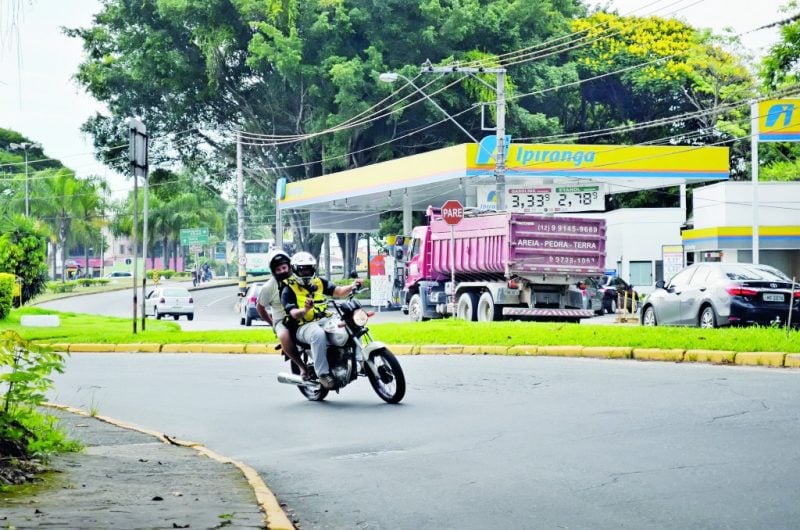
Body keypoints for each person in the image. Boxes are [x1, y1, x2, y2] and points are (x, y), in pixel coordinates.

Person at [281, 251, 362, 390]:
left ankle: (359, 361)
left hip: (324, 319)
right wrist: (305, 310)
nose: (306, 273)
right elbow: (293, 313)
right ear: (294, 270)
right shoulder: (288, 288)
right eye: (302, 270)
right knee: (318, 334)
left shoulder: (319, 282)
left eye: (308, 269)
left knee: (352, 323)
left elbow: (339, 291)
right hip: (303, 326)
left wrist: (353, 285)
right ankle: (323, 374)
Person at [255, 250, 307, 379]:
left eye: (284, 267)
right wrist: (272, 322)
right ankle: (302, 367)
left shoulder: (299, 279)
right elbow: (260, 307)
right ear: (273, 271)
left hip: (302, 314)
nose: (282, 271)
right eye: (278, 269)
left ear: (289, 266)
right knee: (283, 335)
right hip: (282, 320)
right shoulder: (268, 287)